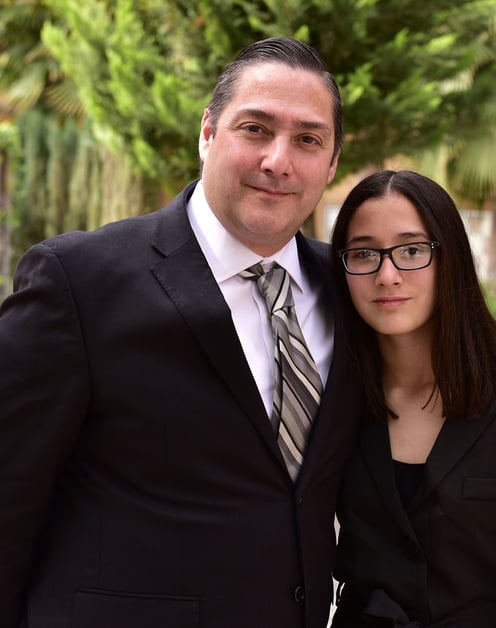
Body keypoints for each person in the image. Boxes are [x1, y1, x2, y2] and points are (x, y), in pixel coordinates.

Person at [0, 36, 362, 628]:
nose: (279, 160)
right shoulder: (79, 280)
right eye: (255, 129)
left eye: (307, 139)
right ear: (208, 133)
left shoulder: (350, 289)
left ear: (331, 163)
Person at [327, 169, 496, 627]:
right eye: (364, 253)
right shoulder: (330, 396)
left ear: (449, 257)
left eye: (412, 250)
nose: (386, 275)